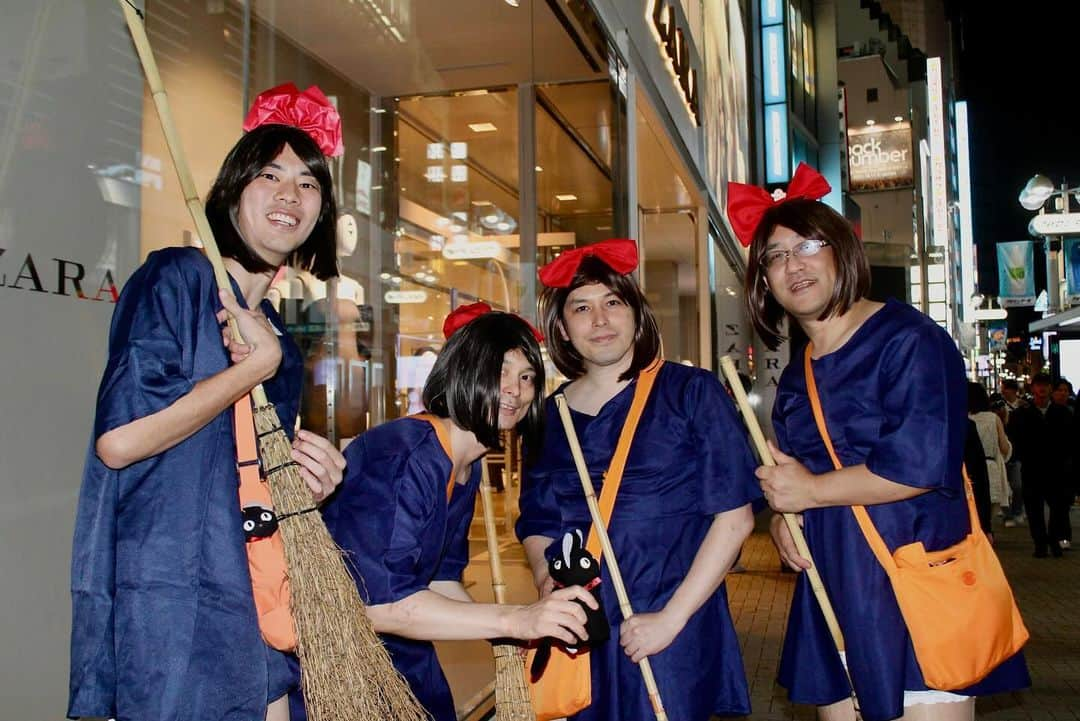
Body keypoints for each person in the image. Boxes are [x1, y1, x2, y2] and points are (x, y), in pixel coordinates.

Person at [69, 84, 350, 721]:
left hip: (255, 601)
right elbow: (121, 441)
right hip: (173, 606)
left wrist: (313, 483)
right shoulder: (177, 279)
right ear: (232, 188)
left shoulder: (277, 331)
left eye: (309, 183)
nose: (290, 194)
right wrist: (254, 368)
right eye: (271, 174)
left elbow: (250, 482)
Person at [731, 163, 1029, 721]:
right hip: (835, 592)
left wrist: (812, 492)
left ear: (842, 251)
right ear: (762, 281)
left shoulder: (911, 341)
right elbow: (798, 482)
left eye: (807, 245)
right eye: (774, 255)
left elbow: (917, 466)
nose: (792, 264)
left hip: (916, 586)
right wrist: (785, 522)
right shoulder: (797, 374)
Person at [299, 305, 597, 721]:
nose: (515, 389)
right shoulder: (405, 455)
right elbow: (379, 605)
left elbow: (438, 578)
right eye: (499, 371)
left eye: (527, 376)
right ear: (461, 371)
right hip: (337, 669)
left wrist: (507, 639)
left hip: (402, 662)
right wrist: (516, 620)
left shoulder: (466, 465)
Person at [516, 239, 761, 721]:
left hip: (672, 620)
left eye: (613, 302)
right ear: (563, 330)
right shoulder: (548, 415)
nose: (600, 320)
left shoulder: (691, 393)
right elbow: (537, 521)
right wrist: (548, 583)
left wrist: (670, 619)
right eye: (581, 308)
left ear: (636, 314)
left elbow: (734, 519)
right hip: (582, 629)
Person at [1009, 373, 1074, 556]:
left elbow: (1070, 440)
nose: (1042, 389)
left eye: (1045, 385)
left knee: (1058, 507)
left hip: (1057, 468)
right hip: (1032, 468)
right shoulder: (1022, 414)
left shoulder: (1062, 413)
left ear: (1050, 389)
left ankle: (1054, 540)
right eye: (1039, 385)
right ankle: (1039, 543)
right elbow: (1015, 438)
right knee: (1033, 508)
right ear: (1033, 388)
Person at [969, 381, 1012, 532]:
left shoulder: (963, 419)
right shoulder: (993, 418)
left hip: (967, 468)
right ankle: (987, 532)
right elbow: (1004, 446)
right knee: (987, 508)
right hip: (990, 466)